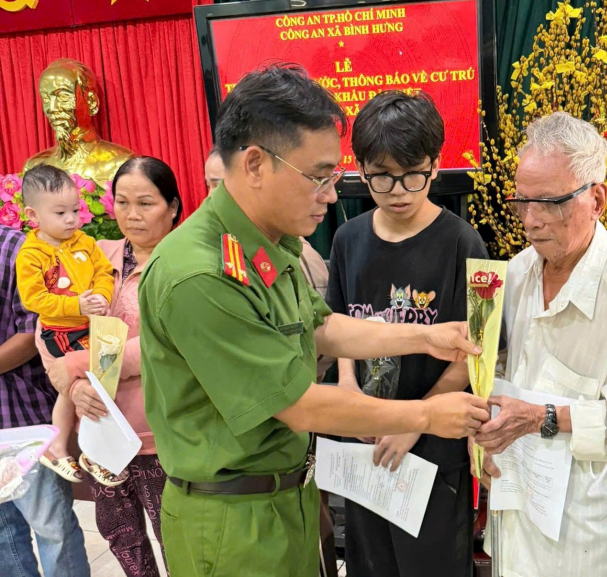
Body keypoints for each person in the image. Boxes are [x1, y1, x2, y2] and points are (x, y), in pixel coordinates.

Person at [138, 64, 489, 577]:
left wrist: (423, 335)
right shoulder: (200, 275)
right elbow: (298, 406)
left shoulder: (264, 244)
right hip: (233, 523)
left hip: (283, 502)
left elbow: (322, 326)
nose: (331, 195)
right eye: (319, 177)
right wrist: (427, 416)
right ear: (256, 164)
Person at [473, 112, 607, 577]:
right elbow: (497, 376)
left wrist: (545, 418)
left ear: (597, 199)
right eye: (522, 202)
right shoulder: (519, 272)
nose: (531, 220)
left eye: (549, 203)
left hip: (586, 542)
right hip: (516, 520)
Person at [327, 90, 487, 577]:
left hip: (432, 451)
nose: (398, 190)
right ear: (360, 170)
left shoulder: (465, 242)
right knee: (370, 563)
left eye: (412, 174)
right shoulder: (347, 238)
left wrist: (417, 420)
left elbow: (476, 349)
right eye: (381, 175)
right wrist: (350, 392)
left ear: (436, 165)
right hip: (365, 445)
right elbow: (339, 328)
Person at [42, 156, 181, 577]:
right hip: (100, 438)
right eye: (121, 202)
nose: (131, 215)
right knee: (123, 541)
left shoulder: (184, 266)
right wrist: (72, 386)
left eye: (146, 203)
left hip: (164, 436)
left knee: (179, 544)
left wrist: (82, 364)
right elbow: (48, 328)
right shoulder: (94, 256)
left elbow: (166, 347)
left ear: (173, 206)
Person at [15, 165, 117, 485]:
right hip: (59, 331)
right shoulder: (31, 255)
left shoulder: (84, 242)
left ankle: (69, 448)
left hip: (90, 326)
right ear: (33, 215)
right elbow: (34, 300)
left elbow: (103, 272)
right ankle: (86, 452)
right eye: (60, 213)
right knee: (81, 386)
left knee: (98, 383)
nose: (71, 219)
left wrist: (101, 295)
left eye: (75, 210)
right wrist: (76, 305)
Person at [0, 224, 91, 577]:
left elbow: (33, 334)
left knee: (52, 528)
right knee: (4, 534)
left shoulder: (18, 249)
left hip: (23, 416)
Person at [205, 143, 331, 377]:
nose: (330, 196)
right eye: (210, 185)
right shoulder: (208, 264)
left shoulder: (286, 250)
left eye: (219, 185)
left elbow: (318, 329)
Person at [24, 58, 133, 183]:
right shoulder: (34, 167)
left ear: (92, 103)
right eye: (46, 99)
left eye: (63, 96)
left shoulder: (120, 164)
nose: (52, 108)